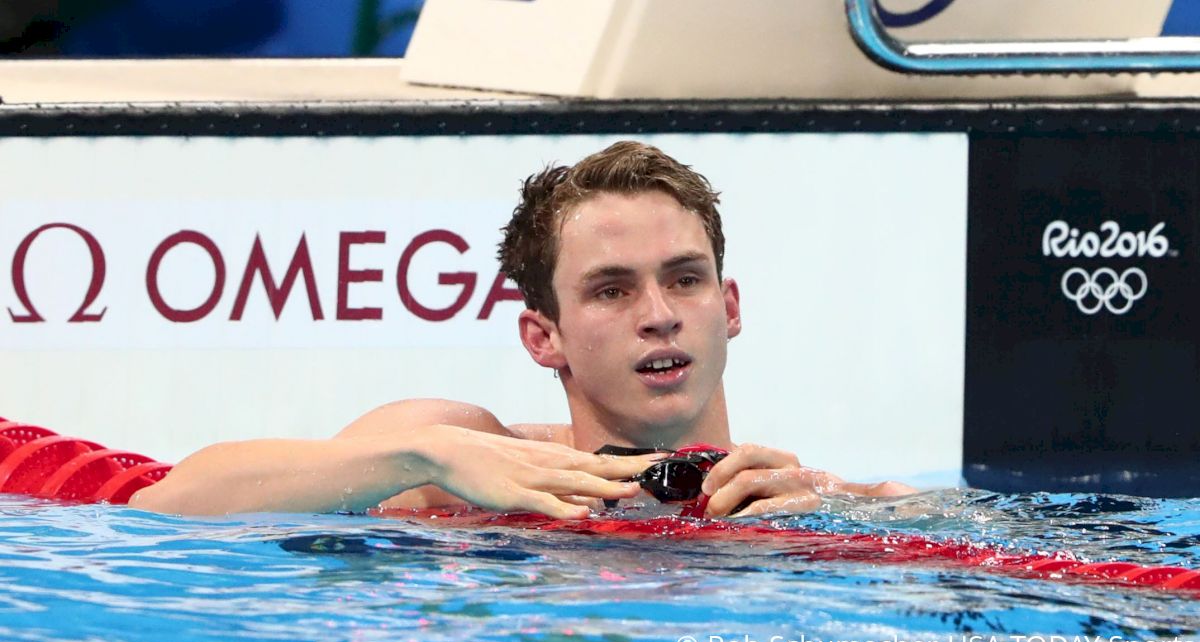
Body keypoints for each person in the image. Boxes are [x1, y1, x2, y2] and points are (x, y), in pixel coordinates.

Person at [130, 141, 914, 518]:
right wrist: (420, 454)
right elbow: (170, 507)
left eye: (685, 278)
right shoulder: (460, 456)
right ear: (545, 337)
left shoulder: (800, 498)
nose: (660, 313)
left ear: (730, 306)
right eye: (612, 290)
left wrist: (838, 524)